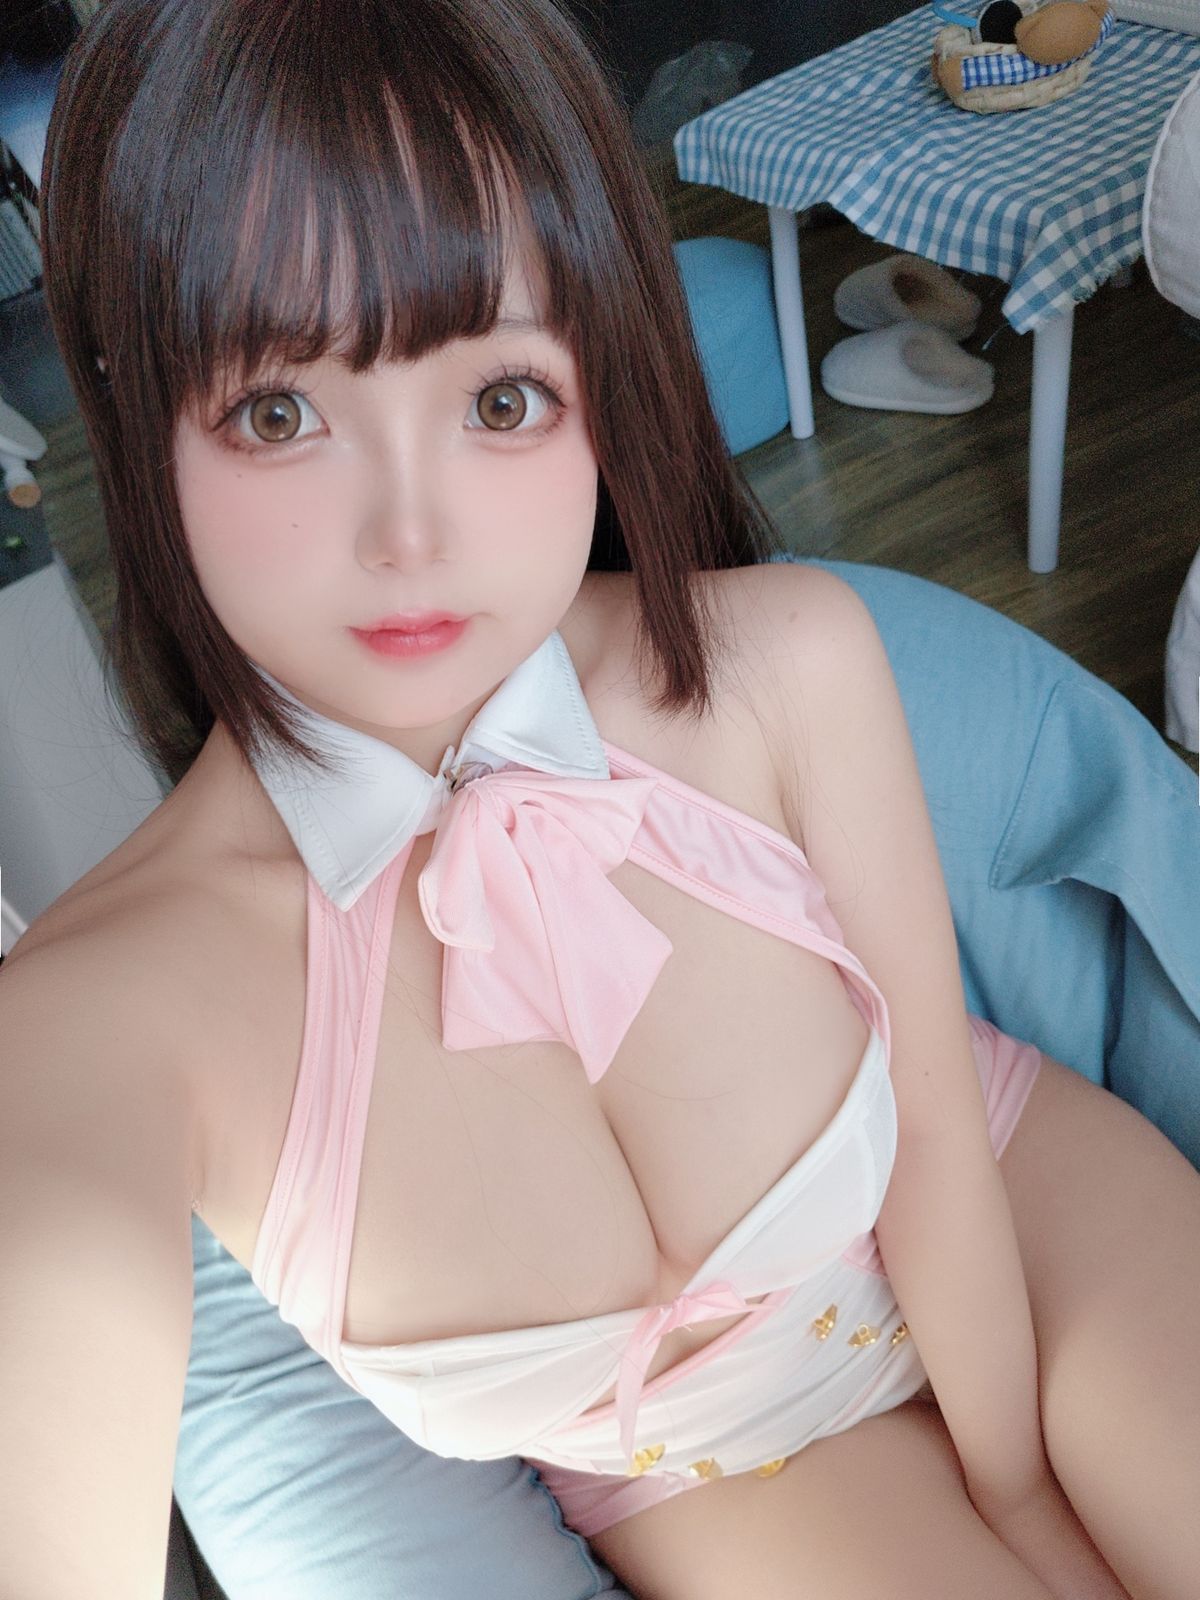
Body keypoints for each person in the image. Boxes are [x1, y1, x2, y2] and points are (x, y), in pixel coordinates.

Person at [3, 0, 1197, 1596]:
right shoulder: (94, 1020)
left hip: (1029, 1217)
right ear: (131, 405)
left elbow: (934, 1144)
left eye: (500, 400)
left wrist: (1029, 1502)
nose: (412, 535)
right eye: (279, 413)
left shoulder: (788, 661)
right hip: (730, 1467)